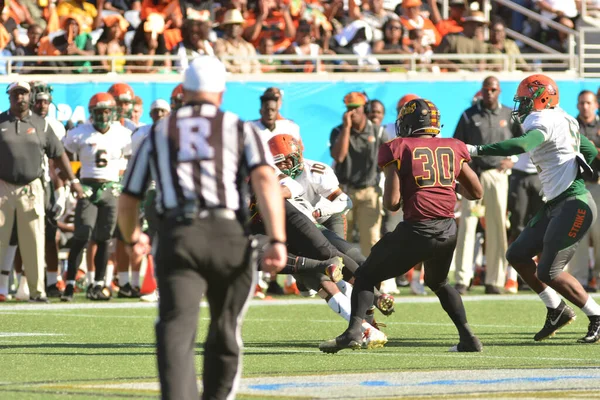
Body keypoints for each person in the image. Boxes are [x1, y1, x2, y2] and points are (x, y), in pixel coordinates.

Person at [118, 56, 287, 400]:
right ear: (221, 92)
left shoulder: (159, 131)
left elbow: (129, 195)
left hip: (180, 235)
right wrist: (277, 238)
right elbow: (266, 180)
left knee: (176, 330)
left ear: (185, 91)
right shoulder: (240, 127)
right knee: (226, 328)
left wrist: (132, 236)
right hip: (229, 235)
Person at [319, 98, 484, 353]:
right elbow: (476, 191)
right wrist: (444, 184)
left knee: (365, 275)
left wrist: (413, 187)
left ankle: (353, 331)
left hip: (418, 229)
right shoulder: (453, 146)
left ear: (407, 123)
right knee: (439, 282)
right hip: (448, 229)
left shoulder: (398, 147)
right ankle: (469, 338)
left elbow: (392, 203)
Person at [467, 74, 600, 344]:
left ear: (542, 99)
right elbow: (589, 150)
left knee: (548, 271)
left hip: (574, 203)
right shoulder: (563, 118)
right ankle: (556, 308)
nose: (522, 106)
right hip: (556, 203)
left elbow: (522, 145)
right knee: (517, 253)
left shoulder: (544, 120)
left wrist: (476, 149)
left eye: (526, 100)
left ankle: (596, 315)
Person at [0, 81, 84, 302]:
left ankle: (37, 291)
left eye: (24, 93)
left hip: (32, 186)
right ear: (9, 96)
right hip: (2, 186)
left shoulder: (41, 124)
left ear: (30, 96)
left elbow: (59, 155)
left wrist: (73, 180)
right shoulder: (0, 121)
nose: (20, 97)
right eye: (16, 93)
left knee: (34, 240)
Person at [453, 76, 523, 295]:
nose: (489, 93)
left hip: (497, 175)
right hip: (472, 174)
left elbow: (525, 140)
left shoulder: (509, 114)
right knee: (467, 226)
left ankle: (494, 280)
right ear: (481, 91)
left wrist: (513, 159)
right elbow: (457, 145)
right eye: (486, 89)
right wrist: (462, 174)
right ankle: (462, 279)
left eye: (493, 89)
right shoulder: (468, 115)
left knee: (497, 227)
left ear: (499, 91)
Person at [61, 92, 132, 302]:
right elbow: (61, 154)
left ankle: (99, 284)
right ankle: (70, 283)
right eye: (99, 111)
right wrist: (71, 181)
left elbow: (131, 158)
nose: (103, 116)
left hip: (111, 188)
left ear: (113, 112)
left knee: (104, 238)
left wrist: (123, 181)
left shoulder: (122, 133)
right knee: (82, 235)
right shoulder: (79, 133)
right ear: (92, 113)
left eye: (107, 111)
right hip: (88, 187)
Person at [330, 92, 388, 257]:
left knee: (371, 240)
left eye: (356, 108)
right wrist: (347, 128)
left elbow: (388, 165)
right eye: (349, 108)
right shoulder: (338, 130)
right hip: (344, 191)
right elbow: (339, 156)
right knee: (341, 240)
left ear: (365, 109)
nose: (352, 112)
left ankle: (373, 281)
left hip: (369, 191)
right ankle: (342, 280)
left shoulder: (378, 132)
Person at [571, 90, 600, 291]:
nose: (585, 106)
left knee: (599, 234)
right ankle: (579, 279)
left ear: (596, 105)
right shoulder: (570, 126)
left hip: (598, 185)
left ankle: (597, 278)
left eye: (588, 103)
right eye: (581, 103)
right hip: (577, 185)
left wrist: (592, 150)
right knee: (577, 233)